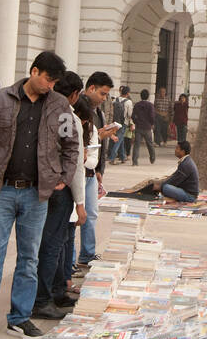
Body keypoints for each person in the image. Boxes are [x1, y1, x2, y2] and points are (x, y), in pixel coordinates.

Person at [0, 51, 80, 339]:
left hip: (38, 194)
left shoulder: (59, 106)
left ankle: (20, 318)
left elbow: (71, 144)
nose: (50, 85)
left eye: (55, 81)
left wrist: (62, 177)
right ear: (34, 71)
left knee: (28, 259)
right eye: (48, 79)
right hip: (2, 191)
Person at [32, 71, 87, 321]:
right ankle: (43, 299)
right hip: (60, 189)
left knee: (51, 243)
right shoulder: (69, 117)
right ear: (74, 95)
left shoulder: (44, 111)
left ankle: (54, 291)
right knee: (52, 245)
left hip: (43, 185)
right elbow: (73, 163)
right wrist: (80, 203)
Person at [78, 71, 115, 268]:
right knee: (74, 217)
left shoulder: (97, 112)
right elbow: (85, 141)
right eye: (102, 93)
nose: (104, 98)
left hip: (92, 171)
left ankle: (87, 254)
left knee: (91, 214)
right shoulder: (80, 108)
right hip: (79, 172)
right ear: (91, 88)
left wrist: (100, 168)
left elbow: (96, 142)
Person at [132, 88, 156, 165]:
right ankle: (152, 158)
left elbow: (133, 116)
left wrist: (136, 122)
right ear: (148, 96)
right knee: (150, 144)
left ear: (140, 96)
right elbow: (152, 116)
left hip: (139, 127)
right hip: (147, 127)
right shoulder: (150, 105)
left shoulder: (137, 105)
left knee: (137, 145)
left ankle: (135, 161)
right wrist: (152, 123)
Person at [111, 86, 133, 164]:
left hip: (115, 122)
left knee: (121, 139)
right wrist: (131, 124)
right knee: (118, 140)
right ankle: (112, 158)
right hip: (124, 123)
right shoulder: (128, 102)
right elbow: (130, 114)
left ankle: (123, 157)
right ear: (127, 93)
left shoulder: (115, 100)